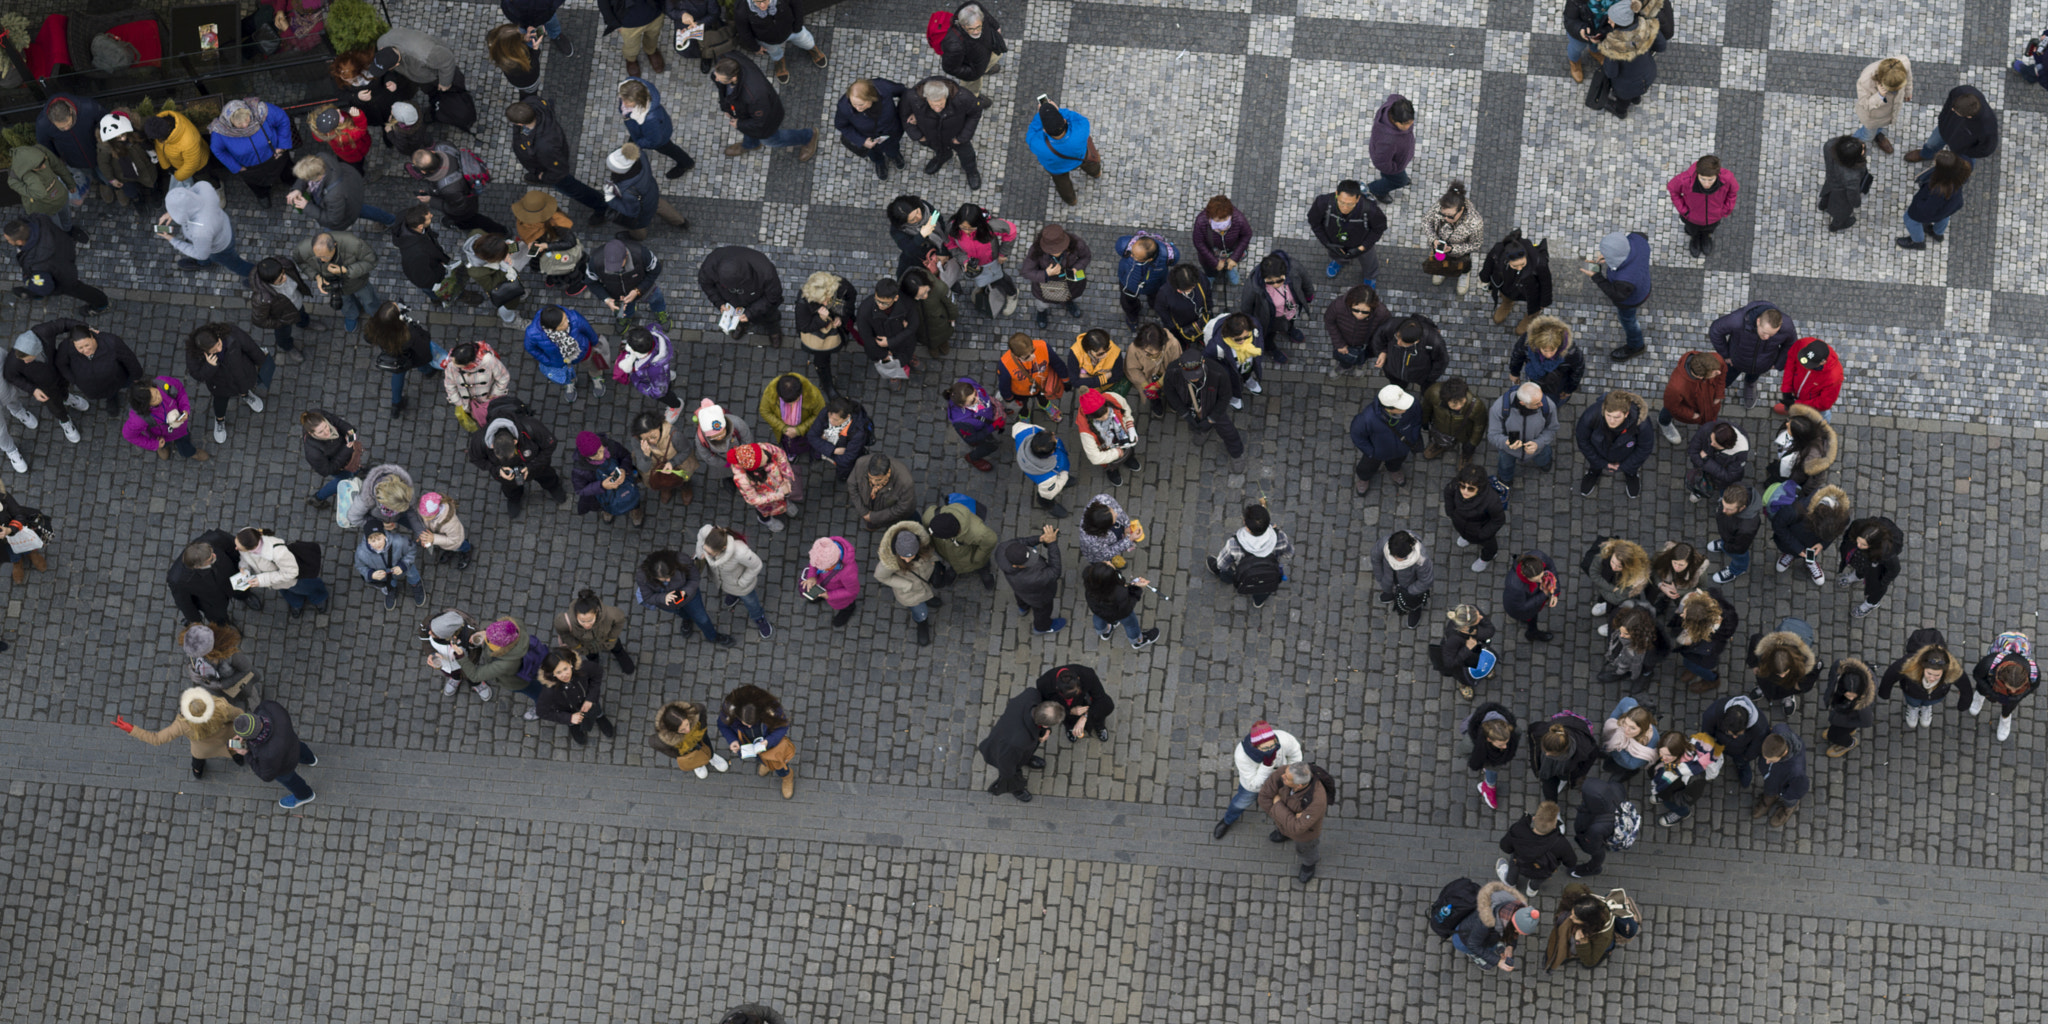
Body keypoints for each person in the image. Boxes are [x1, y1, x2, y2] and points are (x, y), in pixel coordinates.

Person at [507, 96, 610, 219]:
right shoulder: (534, 104)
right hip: (540, 163)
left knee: (571, 188)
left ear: (519, 124)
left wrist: (545, 176)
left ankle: (602, 206)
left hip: (550, 167)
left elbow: (559, 171)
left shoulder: (545, 147)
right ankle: (537, 175)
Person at [114, 686, 247, 781]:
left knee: (198, 760)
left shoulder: (182, 725)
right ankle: (238, 759)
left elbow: (156, 739)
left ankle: (198, 772)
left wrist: (131, 729)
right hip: (228, 740)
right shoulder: (221, 709)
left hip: (203, 750)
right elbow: (240, 715)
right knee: (235, 750)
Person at [468, 393, 566, 515]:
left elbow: (550, 444)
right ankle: (514, 499)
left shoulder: (531, 426)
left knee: (547, 476)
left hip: (538, 466)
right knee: (510, 488)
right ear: (492, 445)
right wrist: (497, 470)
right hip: (507, 477)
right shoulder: (479, 440)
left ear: (515, 441)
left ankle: (553, 487)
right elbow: (476, 459)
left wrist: (532, 466)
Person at [712, 55, 818, 160]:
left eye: (720, 78)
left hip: (766, 118)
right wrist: (726, 107)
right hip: (745, 112)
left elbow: (760, 122)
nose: (716, 79)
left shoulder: (755, 96)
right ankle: (751, 144)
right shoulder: (726, 64)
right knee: (748, 128)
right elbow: (722, 89)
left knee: (771, 139)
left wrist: (739, 124)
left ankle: (808, 136)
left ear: (733, 78)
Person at [184, 323, 274, 445]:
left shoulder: (231, 334)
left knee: (244, 386)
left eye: (219, 344)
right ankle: (220, 420)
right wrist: (210, 366)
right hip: (220, 384)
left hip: (242, 372)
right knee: (220, 402)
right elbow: (199, 375)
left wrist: (262, 363)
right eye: (214, 350)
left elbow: (250, 347)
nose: (219, 349)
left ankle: (246, 395)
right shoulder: (194, 355)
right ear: (204, 352)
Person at [371, 27, 475, 129]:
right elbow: (390, 70)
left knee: (454, 95)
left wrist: (445, 83)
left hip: (439, 75)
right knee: (432, 94)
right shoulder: (382, 42)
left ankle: (451, 111)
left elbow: (447, 60)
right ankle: (437, 109)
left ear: (397, 63)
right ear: (381, 49)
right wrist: (390, 80)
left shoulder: (423, 55)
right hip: (424, 78)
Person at [6, 215, 109, 314]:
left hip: (61, 275)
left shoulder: (37, 264)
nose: (8, 241)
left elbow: (46, 288)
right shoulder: (39, 220)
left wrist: (29, 282)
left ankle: (101, 304)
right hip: (63, 250)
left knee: (75, 288)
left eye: (8, 240)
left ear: (19, 241)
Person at [635, 548, 739, 646]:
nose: (667, 580)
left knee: (702, 619)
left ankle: (713, 636)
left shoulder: (681, 560)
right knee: (681, 613)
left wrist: (685, 592)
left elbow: (694, 579)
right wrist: (663, 598)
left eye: (669, 576)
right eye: (663, 579)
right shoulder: (642, 575)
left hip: (690, 598)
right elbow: (647, 597)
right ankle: (687, 619)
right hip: (669, 605)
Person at [229, 701, 319, 808]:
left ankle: (305, 795)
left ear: (250, 737)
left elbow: (266, 776)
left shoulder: (266, 754)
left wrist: (247, 753)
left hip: (285, 765)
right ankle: (310, 759)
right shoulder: (270, 707)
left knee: (290, 780)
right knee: (301, 748)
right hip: (293, 743)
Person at [1163, 349, 1246, 463]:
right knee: (1195, 424)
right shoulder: (1172, 371)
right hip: (1189, 405)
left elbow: (1225, 396)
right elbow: (1170, 392)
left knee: (1227, 431)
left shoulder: (1218, 373)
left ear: (1203, 363)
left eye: (1196, 375)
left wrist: (1212, 418)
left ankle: (1236, 453)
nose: (1194, 378)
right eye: (1189, 376)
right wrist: (1184, 413)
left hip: (1213, 406)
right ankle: (1203, 431)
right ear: (1180, 366)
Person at [157, 180, 254, 277]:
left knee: (236, 265)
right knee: (203, 247)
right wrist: (174, 210)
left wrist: (172, 239)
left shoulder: (200, 231)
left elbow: (202, 255)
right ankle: (203, 264)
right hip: (223, 229)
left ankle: (257, 277)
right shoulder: (205, 188)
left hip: (220, 248)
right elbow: (191, 196)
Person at [4, 326, 83, 445]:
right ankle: (65, 421)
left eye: (27, 359)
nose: (25, 362)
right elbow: (10, 376)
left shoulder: (44, 335)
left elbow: (63, 323)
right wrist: (33, 389)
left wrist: (87, 329)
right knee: (55, 406)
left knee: (64, 388)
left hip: (59, 374)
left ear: (36, 350)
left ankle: (67, 398)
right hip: (44, 388)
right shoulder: (14, 361)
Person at [979, 689, 1061, 802]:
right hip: (1004, 752)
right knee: (1012, 774)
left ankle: (1027, 759)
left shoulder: (1032, 694)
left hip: (1015, 741)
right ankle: (1016, 789)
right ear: (1044, 725)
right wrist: (1009, 777)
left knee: (1024, 753)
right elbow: (1006, 765)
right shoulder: (1019, 742)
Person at [1707, 300, 1793, 407]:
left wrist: (1778, 363)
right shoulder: (1737, 320)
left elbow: (1791, 344)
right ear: (1758, 321)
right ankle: (1718, 390)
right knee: (1726, 378)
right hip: (1736, 360)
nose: (1766, 338)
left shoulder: (1786, 325)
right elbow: (1715, 330)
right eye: (1764, 333)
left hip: (1762, 363)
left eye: (1772, 335)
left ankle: (1750, 383)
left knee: (1753, 377)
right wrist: (1726, 355)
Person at [1206, 503, 1291, 609]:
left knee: (1225, 571)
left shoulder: (1234, 544)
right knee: (1264, 589)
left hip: (1244, 573)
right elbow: (1288, 554)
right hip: (1268, 574)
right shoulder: (1280, 537)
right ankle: (1258, 601)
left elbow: (1222, 564)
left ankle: (1227, 579)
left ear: (1245, 523)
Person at [1879, 628, 1967, 730]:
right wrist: (1885, 692)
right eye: (1929, 673)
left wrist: (1965, 699)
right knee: (1913, 701)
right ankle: (1913, 707)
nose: (1932, 678)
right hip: (1912, 693)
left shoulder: (1949, 665)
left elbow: (1962, 681)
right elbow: (1891, 674)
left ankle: (1926, 707)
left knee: (1930, 702)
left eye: (1937, 675)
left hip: (1937, 695)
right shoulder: (1909, 663)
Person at [411, 143, 508, 236]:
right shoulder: (443, 146)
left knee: (470, 220)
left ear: (423, 171)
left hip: (466, 205)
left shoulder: (449, 189)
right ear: (432, 152)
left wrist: (431, 201)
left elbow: (458, 209)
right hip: (464, 188)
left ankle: (501, 231)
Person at [293, 230, 379, 332]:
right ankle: (351, 315)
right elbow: (300, 262)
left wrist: (346, 270)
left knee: (369, 300)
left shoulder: (354, 244)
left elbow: (371, 261)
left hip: (358, 281)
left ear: (334, 245)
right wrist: (317, 276)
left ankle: (377, 315)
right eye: (318, 257)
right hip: (336, 287)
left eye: (325, 257)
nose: (322, 261)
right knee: (345, 304)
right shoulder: (302, 249)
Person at [719, 684, 797, 797]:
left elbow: (782, 727)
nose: (749, 727)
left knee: (778, 763)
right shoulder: (729, 712)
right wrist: (733, 740)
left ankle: (787, 776)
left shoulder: (773, 709)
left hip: (771, 744)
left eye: (753, 723)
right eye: (745, 723)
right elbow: (723, 726)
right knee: (760, 757)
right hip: (750, 744)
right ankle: (765, 762)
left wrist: (768, 741)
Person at [1768, 481, 1851, 586]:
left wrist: (1822, 544)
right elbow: (1778, 526)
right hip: (1794, 538)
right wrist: (1797, 548)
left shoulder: (1842, 517)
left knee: (1810, 551)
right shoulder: (1794, 510)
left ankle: (1809, 560)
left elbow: (1833, 534)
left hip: (1810, 542)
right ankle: (1791, 554)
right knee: (1792, 548)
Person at [699, 245, 786, 346]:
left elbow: (773, 297)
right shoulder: (711, 265)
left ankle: (773, 330)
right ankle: (741, 324)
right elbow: (706, 284)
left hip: (760, 300)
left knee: (770, 316)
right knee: (739, 317)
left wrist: (751, 313)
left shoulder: (765, 271)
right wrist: (719, 302)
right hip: (734, 303)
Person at [1574, 390, 1655, 499]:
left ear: (1626, 414)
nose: (1611, 421)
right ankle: (1594, 471)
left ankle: (1630, 473)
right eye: (1608, 415)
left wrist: (1625, 466)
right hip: (1600, 452)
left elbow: (1645, 448)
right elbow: (1583, 441)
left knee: (1631, 468)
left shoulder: (1641, 424)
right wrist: (1601, 463)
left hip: (1627, 455)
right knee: (1595, 465)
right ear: (1604, 410)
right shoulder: (1591, 416)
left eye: (1617, 417)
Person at [1585, 230, 1652, 361]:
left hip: (1632, 300)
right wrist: (1611, 257)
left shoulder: (1624, 279)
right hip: (1644, 283)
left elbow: (1617, 295)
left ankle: (1636, 345)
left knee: (1628, 321)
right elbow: (1641, 236)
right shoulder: (1638, 239)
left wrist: (1596, 276)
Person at [695, 524, 772, 638]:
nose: (707, 555)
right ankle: (733, 595)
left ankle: (759, 618)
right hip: (725, 581)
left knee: (751, 603)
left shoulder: (741, 552)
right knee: (728, 588)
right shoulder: (706, 533)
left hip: (740, 586)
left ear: (723, 549)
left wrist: (742, 582)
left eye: (710, 553)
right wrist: (699, 553)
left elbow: (756, 565)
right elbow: (700, 538)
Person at [1259, 762, 1329, 885]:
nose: (1282, 776)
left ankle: (1309, 864)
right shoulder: (1284, 771)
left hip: (1306, 835)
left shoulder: (1317, 800)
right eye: (1285, 774)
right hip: (1283, 823)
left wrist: (1277, 804)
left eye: (1286, 778)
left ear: (1299, 785)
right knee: (1284, 826)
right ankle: (1283, 833)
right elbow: (1264, 798)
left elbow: (1297, 829)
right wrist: (1291, 817)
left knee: (1306, 850)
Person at [231, 527, 325, 620]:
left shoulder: (279, 553)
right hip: (277, 582)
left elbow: (292, 573)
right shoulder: (244, 537)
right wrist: (243, 567)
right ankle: (296, 603)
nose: (236, 548)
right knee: (287, 592)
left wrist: (263, 580)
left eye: (239, 547)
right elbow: (244, 557)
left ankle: (319, 598)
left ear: (251, 547)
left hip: (295, 580)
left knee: (307, 588)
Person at [32, 95, 102, 217]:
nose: (67, 128)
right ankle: (98, 182)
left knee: (104, 173)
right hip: (73, 159)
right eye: (62, 128)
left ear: (71, 111)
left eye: (68, 124)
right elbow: (45, 147)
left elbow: (104, 120)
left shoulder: (88, 107)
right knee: (88, 174)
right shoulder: (43, 124)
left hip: (99, 152)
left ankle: (106, 185)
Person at [1593, 2, 1666, 118]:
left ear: (1619, 24)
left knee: (1623, 100)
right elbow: (1661, 46)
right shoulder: (1647, 26)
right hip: (1648, 74)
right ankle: (1636, 98)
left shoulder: (1614, 46)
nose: (1608, 22)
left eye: (1611, 20)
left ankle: (1620, 111)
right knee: (1637, 90)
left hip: (1626, 85)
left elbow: (1611, 72)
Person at [876, 520, 944, 646]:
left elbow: (930, 553)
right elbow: (880, 576)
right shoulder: (888, 563)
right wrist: (905, 585)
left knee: (928, 592)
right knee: (920, 611)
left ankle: (928, 598)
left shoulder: (923, 545)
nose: (907, 560)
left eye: (911, 556)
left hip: (924, 580)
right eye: (903, 557)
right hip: (911, 593)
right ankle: (922, 623)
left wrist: (934, 563)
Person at [602, 144, 690, 240]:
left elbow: (630, 212)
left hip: (642, 207)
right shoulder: (640, 156)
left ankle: (638, 237)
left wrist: (610, 197)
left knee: (636, 225)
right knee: (658, 204)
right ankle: (680, 221)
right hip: (651, 191)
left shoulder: (627, 191)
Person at [1237, 252, 1313, 363]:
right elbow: (1246, 306)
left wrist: (1308, 295)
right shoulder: (1254, 285)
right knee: (1268, 334)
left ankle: (1290, 330)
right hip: (1269, 318)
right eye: (1270, 282)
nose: (1276, 284)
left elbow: (1306, 281)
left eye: (1279, 280)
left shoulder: (1295, 268)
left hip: (1291, 309)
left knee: (1291, 320)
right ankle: (1271, 348)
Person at [1349, 384, 1423, 498]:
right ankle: (1364, 478)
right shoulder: (1367, 419)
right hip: (1377, 452)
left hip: (1402, 448)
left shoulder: (1412, 405)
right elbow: (1357, 435)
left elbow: (1417, 420)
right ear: (1388, 409)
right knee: (1367, 467)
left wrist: (1412, 437)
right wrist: (1371, 452)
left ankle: (1394, 470)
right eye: (1402, 406)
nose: (1407, 408)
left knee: (1397, 462)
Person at [287, 152, 394, 230]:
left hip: (344, 205)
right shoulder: (321, 158)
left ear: (316, 177)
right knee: (363, 209)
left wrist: (307, 207)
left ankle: (392, 221)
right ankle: (391, 220)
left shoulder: (334, 195)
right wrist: (297, 188)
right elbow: (308, 170)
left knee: (329, 233)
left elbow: (333, 220)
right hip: (349, 191)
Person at [511, 192, 588, 299]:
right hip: (543, 251)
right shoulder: (525, 220)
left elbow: (571, 243)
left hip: (558, 251)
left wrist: (546, 246)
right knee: (550, 266)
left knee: (567, 269)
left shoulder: (556, 221)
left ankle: (578, 282)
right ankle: (555, 275)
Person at [1026, 96, 1101, 207]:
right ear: (1064, 121)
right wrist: (1057, 111)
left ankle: (1071, 200)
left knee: (1063, 185)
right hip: (1081, 157)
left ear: (1045, 130)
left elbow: (1032, 130)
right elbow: (1079, 119)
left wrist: (1041, 115)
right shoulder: (1081, 130)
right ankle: (1096, 173)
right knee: (1091, 165)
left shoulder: (1036, 144)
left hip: (1057, 168)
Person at [1451, 880, 1540, 973]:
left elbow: (1513, 929)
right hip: (1463, 940)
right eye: (1518, 931)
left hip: (1487, 936)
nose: (1517, 933)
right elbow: (1473, 945)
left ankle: (1493, 945)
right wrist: (1497, 961)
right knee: (1474, 950)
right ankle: (1475, 956)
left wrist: (1510, 946)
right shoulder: (1486, 921)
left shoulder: (1514, 910)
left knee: (1490, 944)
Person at [1308, 179, 1387, 282]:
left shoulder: (1371, 210)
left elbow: (1379, 229)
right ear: (1336, 194)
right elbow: (1315, 224)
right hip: (1335, 244)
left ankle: (1370, 276)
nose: (1344, 208)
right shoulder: (1323, 203)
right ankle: (1340, 262)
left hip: (1361, 244)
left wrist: (1363, 247)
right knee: (1337, 255)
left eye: (1350, 204)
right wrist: (1327, 243)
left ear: (1358, 199)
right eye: (1341, 202)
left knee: (1369, 262)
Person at [947, 203, 1020, 314]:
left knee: (1000, 278)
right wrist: (964, 260)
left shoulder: (990, 226)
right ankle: (984, 285)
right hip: (973, 263)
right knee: (981, 277)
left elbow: (1011, 230)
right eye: (963, 228)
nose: (966, 231)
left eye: (971, 228)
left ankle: (1012, 293)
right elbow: (951, 245)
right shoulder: (952, 228)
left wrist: (1003, 253)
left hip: (992, 260)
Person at [1967, 632, 2038, 743]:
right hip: (1990, 686)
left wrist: (2017, 697)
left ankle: (2005, 717)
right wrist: (1992, 693)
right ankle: (1980, 696)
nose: (2013, 691)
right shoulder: (1988, 664)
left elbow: (2033, 686)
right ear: (2000, 676)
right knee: (1982, 689)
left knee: (2010, 705)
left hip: (2004, 694)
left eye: (2017, 689)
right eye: (2010, 688)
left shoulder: (2033, 671)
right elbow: (1978, 676)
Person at [618, 77, 694, 181]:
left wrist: (639, 143)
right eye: (622, 99)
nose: (623, 104)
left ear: (639, 101)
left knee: (669, 149)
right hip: (641, 129)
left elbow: (654, 140)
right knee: (633, 144)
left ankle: (686, 163)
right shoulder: (632, 88)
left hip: (658, 137)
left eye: (627, 102)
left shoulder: (650, 119)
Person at [534, 650, 615, 746]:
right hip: (567, 710)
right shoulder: (549, 690)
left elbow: (597, 673)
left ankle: (599, 716)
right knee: (572, 721)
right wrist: (569, 718)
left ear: (570, 664)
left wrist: (590, 698)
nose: (564, 675)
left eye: (565, 669)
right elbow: (541, 712)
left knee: (595, 709)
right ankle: (573, 725)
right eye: (558, 672)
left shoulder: (583, 668)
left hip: (589, 701)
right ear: (553, 673)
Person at [834, 78, 908, 183]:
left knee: (893, 147)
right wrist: (862, 140)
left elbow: (904, 92)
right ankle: (879, 162)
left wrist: (906, 112)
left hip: (891, 131)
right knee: (874, 154)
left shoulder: (884, 88)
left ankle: (894, 155)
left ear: (872, 98)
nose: (857, 108)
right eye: (853, 104)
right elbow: (841, 125)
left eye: (861, 105)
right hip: (868, 138)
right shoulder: (844, 107)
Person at [1479, 230, 1552, 334]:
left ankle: (1530, 316)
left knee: (1533, 306)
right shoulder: (1498, 252)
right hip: (1508, 285)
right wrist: (1485, 278)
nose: (1519, 268)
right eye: (1515, 266)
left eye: (1522, 264)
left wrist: (1544, 301)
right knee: (1507, 295)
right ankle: (1507, 304)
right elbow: (1488, 264)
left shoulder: (1539, 262)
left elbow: (1546, 282)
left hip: (1531, 290)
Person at [1906, 84, 1997, 166]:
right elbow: (1947, 106)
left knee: (1961, 166)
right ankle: (1926, 154)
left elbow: (1986, 149)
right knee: (1932, 144)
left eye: (1955, 111)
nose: (1952, 110)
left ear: (1968, 116)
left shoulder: (1987, 128)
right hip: (1945, 129)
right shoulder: (1961, 92)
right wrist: (1942, 120)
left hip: (1963, 147)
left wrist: (1965, 151)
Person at [1666, 155, 1738, 258]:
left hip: (1714, 217)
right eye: (1703, 179)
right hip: (1691, 217)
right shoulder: (1685, 180)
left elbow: (1733, 192)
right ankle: (1695, 239)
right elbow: (1673, 189)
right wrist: (1684, 210)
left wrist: (1725, 210)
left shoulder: (1727, 179)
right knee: (1692, 230)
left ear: (1717, 175)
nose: (1706, 184)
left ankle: (1705, 238)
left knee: (1709, 229)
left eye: (1710, 180)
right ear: (1698, 174)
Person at [1419, 182, 1485, 295]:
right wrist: (1433, 239)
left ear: (1461, 210)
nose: (1445, 219)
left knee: (1464, 264)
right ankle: (1442, 271)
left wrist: (1452, 249)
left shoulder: (1475, 222)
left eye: (1450, 216)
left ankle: (1464, 274)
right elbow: (1426, 221)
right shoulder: (1441, 206)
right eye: (1443, 214)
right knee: (1439, 260)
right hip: (1439, 245)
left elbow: (1476, 244)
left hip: (1460, 252)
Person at [998, 525, 1065, 634]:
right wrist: (1052, 544)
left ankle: (1023, 608)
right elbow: (1055, 571)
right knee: (1042, 612)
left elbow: (1020, 542)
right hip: (1039, 598)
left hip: (1020, 589)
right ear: (1016, 566)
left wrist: (1039, 539)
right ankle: (1042, 627)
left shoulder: (1003, 549)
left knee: (1020, 596)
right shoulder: (1034, 577)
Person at [123, 377, 209, 462]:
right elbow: (129, 435)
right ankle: (162, 448)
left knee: (184, 442)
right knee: (163, 444)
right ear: (145, 405)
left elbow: (180, 390)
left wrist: (185, 408)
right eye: (154, 400)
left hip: (180, 428)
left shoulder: (163, 384)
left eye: (156, 392)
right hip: (161, 437)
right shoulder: (138, 419)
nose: (159, 397)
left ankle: (190, 453)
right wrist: (154, 444)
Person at [1488, 383, 1558, 488]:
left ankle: (1545, 464)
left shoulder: (1548, 405)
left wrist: (1539, 443)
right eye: (1537, 403)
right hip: (1508, 450)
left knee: (1544, 458)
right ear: (1522, 403)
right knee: (1505, 466)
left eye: (1541, 399)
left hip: (1538, 448)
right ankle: (1506, 480)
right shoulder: (1499, 408)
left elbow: (1552, 428)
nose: (1541, 404)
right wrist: (1505, 442)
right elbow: (1493, 435)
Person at [1897, 151, 1971, 250]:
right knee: (1943, 216)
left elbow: (1926, 210)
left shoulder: (1938, 190)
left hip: (1933, 209)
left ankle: (1918, 242)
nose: (1934, 164)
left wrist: (1917, 206)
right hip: (1950, 206)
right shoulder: (1960, 173)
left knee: (1910, 220)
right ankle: (1937, 233)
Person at [1506, 314, 1583, 408]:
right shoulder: (1527, 342)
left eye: (1553, 350)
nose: (1549, 355)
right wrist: (1514, 372)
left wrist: (1568, 390)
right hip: (1534, 380)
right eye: (1545, 350)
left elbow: (1577, 371)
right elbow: (1517, 354)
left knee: (1552, 405)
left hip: (1556, 387)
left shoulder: (1571, 352)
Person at [1020, 224, 1090, 328]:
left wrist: (1076, 268)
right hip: (1045, 287)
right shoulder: (1036, 250)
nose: (1055, 252)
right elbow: (1026, 271)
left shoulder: (1076, 243)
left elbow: (1086, 257)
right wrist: (1046, 273)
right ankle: (1042, 312)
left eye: (1058, 249)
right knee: (1042, 304)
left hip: (1070, 283)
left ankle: (1068, 303)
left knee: (1070, 297)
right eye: (1051, 250)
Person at [589, 239, 669, 330]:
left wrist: (638, 290)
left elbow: (655, 270)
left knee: (656, 299)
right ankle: (626, 317)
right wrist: (606, 299)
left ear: (626, 255)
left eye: (619, 264)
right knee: (625, 309)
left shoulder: (641, 253)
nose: (615, 269)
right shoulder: (595, 261)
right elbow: (591, 283)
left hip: (644, 287)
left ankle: (660, 311)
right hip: (618, 294)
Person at [1080, 561, 1160, 650]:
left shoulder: (1091, 586)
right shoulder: (1119, 593)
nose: (1108, 561)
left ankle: (1105, 632)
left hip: (1100, 611)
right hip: (1120, 613)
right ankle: (1137, 641)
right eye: (1107, 565)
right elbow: (1129, 604)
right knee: (1131, 625)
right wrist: (1136, 587)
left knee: (1099, 618)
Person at [554, 588, 635, 676]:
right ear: (576, 615)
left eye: (590, 620)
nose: (587, 625)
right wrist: (577, 646)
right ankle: (594, 662)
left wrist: (612, 638)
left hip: (606, 639)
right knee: (592, 656)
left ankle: (619, 654)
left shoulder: (612, 614)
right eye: (582, 621)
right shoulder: (563, 622)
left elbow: (619, 623)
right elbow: (564, 635)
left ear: (596, 612)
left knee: (616, 648)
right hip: (586, 646)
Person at [1671, 588, 1739, 694]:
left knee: (1694, 664)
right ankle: (1692, 669)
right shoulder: (1699, 601)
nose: (1681, 615)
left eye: (1685, 616)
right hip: (1695, 649)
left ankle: (1712, 680)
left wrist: (1689, 639)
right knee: (1688, 661)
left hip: (1704, 654)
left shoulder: (1723, 627)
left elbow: (1696, 645)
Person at [572, 430, 645, 527]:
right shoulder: (580, 469)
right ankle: (608, 510)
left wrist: (623, 470)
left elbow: (626, 456)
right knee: (606, 504)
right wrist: (601, 485)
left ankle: (635, 509)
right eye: (595, 455)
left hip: (626, 482)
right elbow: (581, 490)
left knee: (633, 497)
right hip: (603, 494)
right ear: (587, 457)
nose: (601, 455)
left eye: (601, 450)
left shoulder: (611, 446)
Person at [1443, 464, 1506, 574]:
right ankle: (1467, 538)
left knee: (1489, 546)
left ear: (1479, 488)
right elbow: (1448, 492)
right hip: (1461, 523)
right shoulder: (1456, 485)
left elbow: (1498, 520)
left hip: (1480, 529)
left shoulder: (1491, 501)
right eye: (1462, 486)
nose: (1465, 491)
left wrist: (1483, 534)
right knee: (1465, 534)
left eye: (1471, 488)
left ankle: (1486, 558)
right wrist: (1451, 512)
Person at [996, 334, 1073, 424]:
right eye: (1027, 357)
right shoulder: (1005, 364)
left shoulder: (1043, 346)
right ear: (1017, 357)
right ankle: (1024, 415)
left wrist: (1065, 380)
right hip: (1020, 392)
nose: (1033, 356)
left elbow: (1057, 363)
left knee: (1043, 398)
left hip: (1041, 384)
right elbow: (1004, 385)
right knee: (1022, 407)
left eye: (1033, 351)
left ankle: (1045, 405)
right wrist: (1009, 398)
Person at [1836, 515, 1904, 618]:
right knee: (1860, 567)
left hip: (1875, 572)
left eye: (1863, 544)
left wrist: (1881, 582)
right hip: (1862, 562)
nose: (1858, 545)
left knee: (1876, 592)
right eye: (1858, 541)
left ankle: (1871, 604)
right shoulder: (1858, 527)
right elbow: (1847, 536)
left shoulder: (1886, 554)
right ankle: (1857, 576)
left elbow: (1895, 570)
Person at [249, 256, 320, 354]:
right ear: (270, 283)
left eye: (283, 273)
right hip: (283, 318)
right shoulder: (262, 299)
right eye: (280, 279)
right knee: (283, 335)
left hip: (297, 303)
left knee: (302, 314)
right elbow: (259, 320)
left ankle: (305, 324)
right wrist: (280, 322)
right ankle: (288, 347)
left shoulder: (286, 265)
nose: (285, 277)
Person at [856, 278, 922, 381]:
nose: (880, 305)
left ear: (895, 298)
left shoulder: (906, 302)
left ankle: (909, 359)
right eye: (877, 300)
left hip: (903, 342)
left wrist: (890, 342)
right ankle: (894, 376)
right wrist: (884, 355)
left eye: (884, 303)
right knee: (890, 365)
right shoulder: (865, 310)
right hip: (881, 349)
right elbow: (866, 337)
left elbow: (914, 325)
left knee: (906, 354)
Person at [1701, 692, 1771, 788]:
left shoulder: (1760, 728)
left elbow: (1755, 748)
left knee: (1742, 764)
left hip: (1740, 753)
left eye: (1737, 734)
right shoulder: (1714, 712)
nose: (1734, 737)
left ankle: (1741, 766)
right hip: (1717, 743)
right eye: (1730, 733)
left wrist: (1745, 758)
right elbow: (1706, 731)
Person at [1649, 730, 1719, 826]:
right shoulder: (1670, 751)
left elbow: (1688, 798)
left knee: (1673, 804)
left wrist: (1669, 799)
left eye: (1668, 756)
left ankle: (1682, 813)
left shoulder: (1695, 777)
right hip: (1668, 788)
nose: (1663, 758)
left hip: (1676, 795)